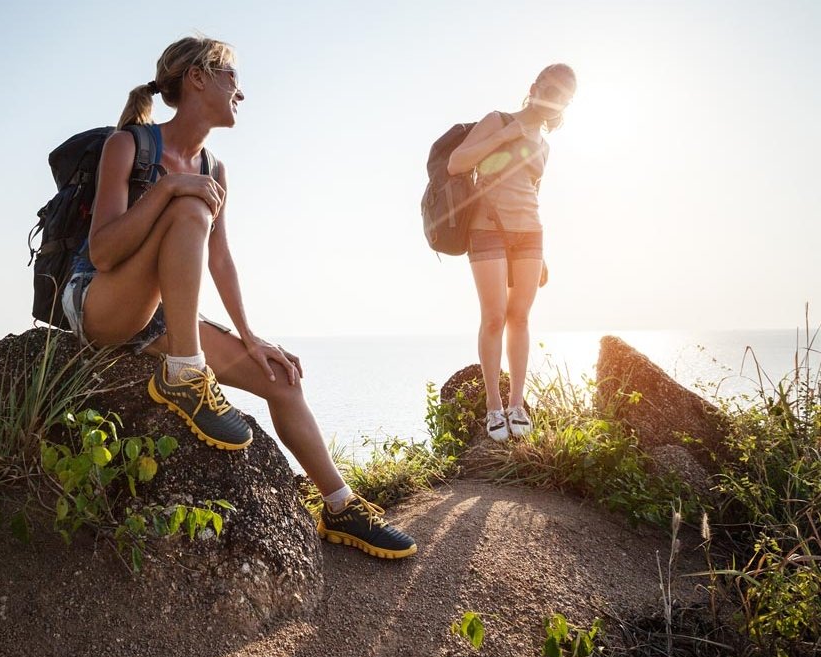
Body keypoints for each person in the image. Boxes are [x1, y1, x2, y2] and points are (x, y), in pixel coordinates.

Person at [61, 36, 416, 559]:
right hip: (102, 302)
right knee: (189, 208)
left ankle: (341, 507)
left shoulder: (214, 169)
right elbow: (106, 250)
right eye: (232, 77)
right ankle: (185, 375)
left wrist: (252, 338)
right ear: (198, 78)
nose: (240, 92)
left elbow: (219, 260)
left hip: (160, 317)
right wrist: (167, 191)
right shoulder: (130, 144)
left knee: (281, 378)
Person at [447, 64, 576, 442]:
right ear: (535, 86)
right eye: (550, 90)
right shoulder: (497, 119)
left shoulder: (545, 145)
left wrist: (543, 256)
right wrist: (505, 134)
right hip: (487, 228)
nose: (554, 100)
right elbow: (457, 163)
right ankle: (493, 407)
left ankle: (517, 404)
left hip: (530, 234)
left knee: (520, 317)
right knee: (493, 318)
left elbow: (532, 191)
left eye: (563, 98)